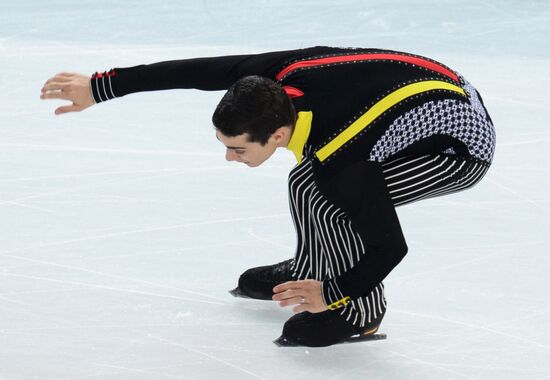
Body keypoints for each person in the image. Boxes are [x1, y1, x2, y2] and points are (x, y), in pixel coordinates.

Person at [40, 46, 495, 347]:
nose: (229, 158)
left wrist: (335, 291)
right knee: (311, 183)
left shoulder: (343, 154)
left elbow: (389, 246)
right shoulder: (274, 80)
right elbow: (199, 71)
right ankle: (315, 264)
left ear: (277, 133)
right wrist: (104, 86)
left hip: (457, 147)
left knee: (322, 193)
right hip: (417, 101)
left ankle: (358, 313)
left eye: (237, 148)